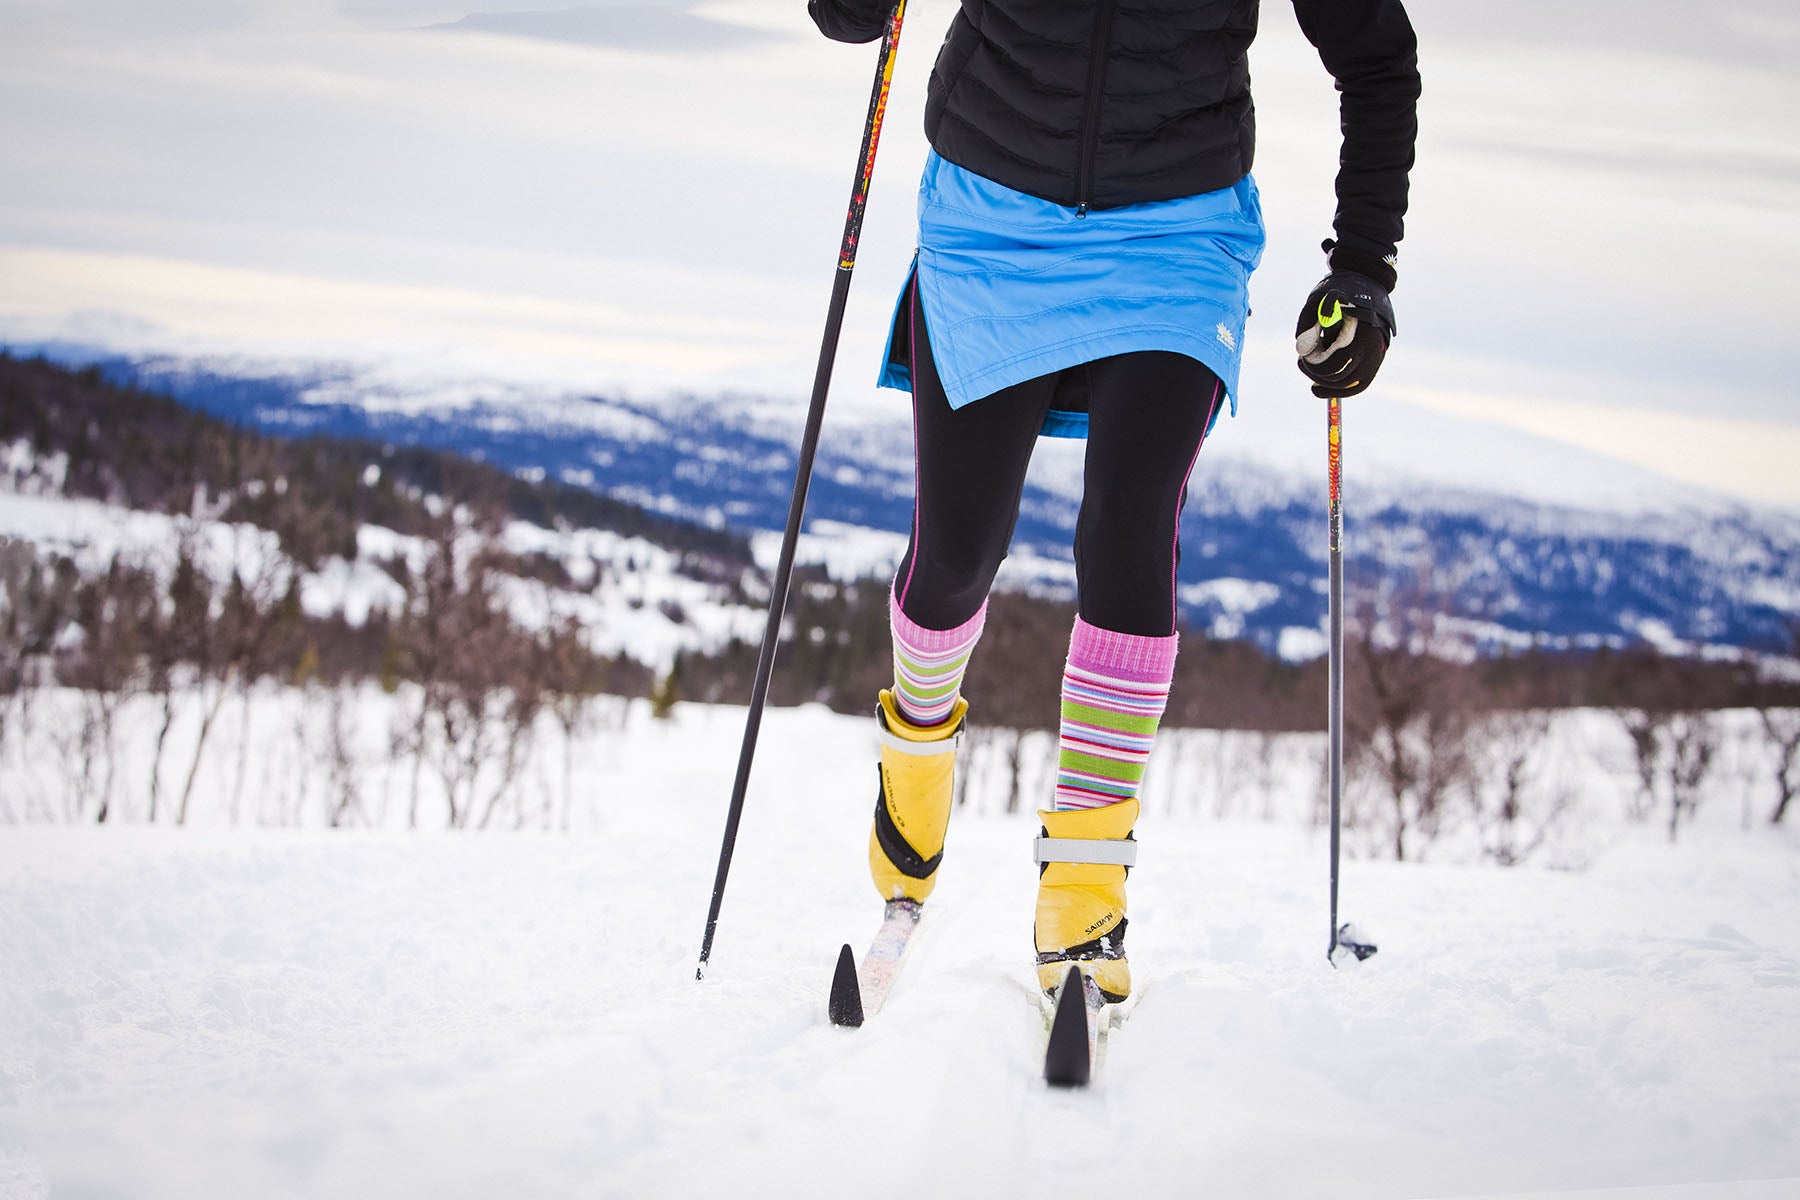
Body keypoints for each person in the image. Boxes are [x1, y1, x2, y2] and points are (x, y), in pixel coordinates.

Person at [808, 0, 1419, 1000]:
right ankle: (912, 785)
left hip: (1177, 235)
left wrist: (1365, 266)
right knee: (956, 551)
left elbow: (1377, 60)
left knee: (1128, 530)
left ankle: (1085, 890)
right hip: (992, 213)